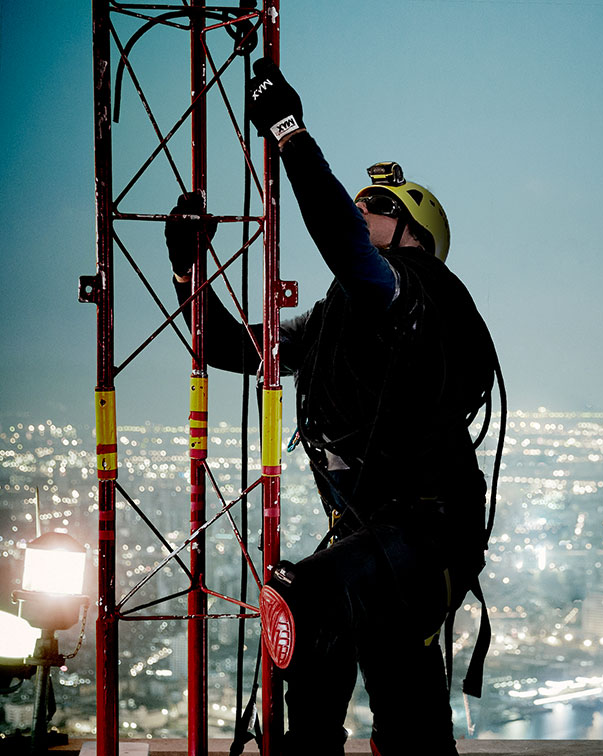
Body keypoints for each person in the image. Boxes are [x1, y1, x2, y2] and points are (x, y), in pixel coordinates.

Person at [165, 58, 502, 755]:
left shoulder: (422, 298)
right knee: (404, 698)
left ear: (415, 235)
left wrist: (289, 134)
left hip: (429, 528)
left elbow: (350, 254)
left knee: (307, 596)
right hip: (380, 537)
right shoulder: (337, 325)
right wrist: (186, 270)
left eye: (379, 207)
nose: (360, 210)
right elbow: (232, 349)